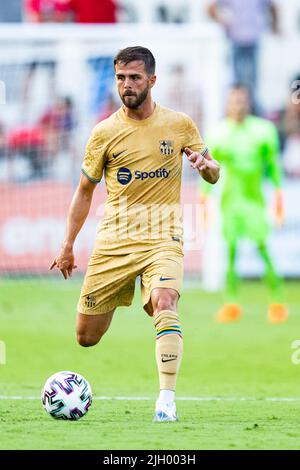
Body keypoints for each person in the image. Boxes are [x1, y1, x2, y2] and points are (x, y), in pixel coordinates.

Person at [50, 46, 220, 422]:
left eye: (135, 78)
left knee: (164, 301)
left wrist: (207, 167)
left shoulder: (179, 124)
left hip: (164, 235)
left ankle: (166, 400)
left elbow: (212, 171)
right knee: (86, 337)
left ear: (152, 81)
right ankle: (118, 294)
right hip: (115, 239)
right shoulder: (104, 132)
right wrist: (67, 244)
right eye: (121, 78)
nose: (126, 85)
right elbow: (84, 190)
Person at [201, 84, 288, 324]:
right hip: (230, 203)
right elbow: (207, 169)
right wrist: (204, 197)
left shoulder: (263, 131)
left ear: (247, 102)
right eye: (234, 100)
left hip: (255, 203)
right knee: (230, 252)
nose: (238, 104)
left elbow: (273, 167)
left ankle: (278, 301)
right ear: (228, 104)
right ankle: (231, 304)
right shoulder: (218, 133)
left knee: (263, 248)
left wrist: (279, 196)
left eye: (241, 99)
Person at [207, 0, 278, 109]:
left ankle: (249, 110)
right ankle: (238, 109)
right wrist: (223, 22)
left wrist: (275, 27)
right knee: (238, 81)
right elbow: (210, 7)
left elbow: (273, 7)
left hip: (250, 41)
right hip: (236, 41)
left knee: (249, 82)